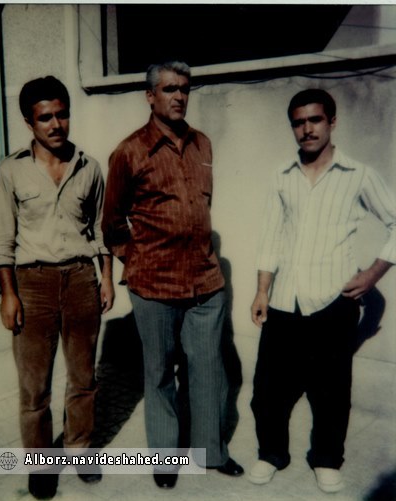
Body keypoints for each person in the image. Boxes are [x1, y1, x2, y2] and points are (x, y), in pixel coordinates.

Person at [102, 61, 244, 489]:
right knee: (160, 373)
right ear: (150, 96)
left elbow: (202, 205)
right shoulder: (129, 152)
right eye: (169, 89)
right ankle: (165, 457)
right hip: (155, 286)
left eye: (184, 88)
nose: (179, 96)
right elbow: (112, 223)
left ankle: (211, 452)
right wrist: (137, 261)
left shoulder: (203, 144)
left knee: (208, 370)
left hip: (205, 282)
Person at [249, 89, 395, 493]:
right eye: (298, 122)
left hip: (333, 302)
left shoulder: (358, 175)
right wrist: (261, 291)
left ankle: (327, 459)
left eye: (314, 120)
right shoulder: (282, 176)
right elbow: (270, 237)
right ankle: (271, 454)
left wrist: (372, 275)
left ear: (332, 122)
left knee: (330, 392)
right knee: (268, 391)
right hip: (284, 301)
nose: (307, 129)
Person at [0, 76, 114, 499]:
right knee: (34, 387)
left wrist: (106, 278)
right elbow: (1, 239)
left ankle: (80, 451)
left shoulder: (89, 167)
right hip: (33, 284)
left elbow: (101, 229)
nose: (56, 124)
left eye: (62, 114)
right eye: (46, 117)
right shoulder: (11, 170)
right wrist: (8, 294)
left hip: (81, 279)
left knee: (83, 378)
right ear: (29, 122)